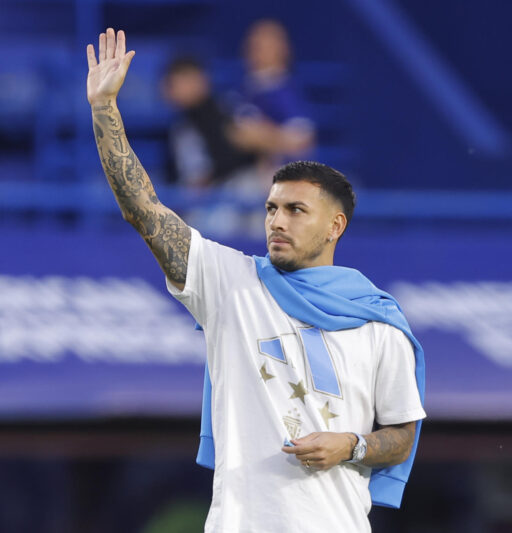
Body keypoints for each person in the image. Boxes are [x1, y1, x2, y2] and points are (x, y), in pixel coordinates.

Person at [86, 29, 425, 532]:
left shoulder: (379, 320)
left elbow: (401, 433)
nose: (277, 221)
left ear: (336, 225)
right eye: (270, 208)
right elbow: (145, 211)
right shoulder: (232, 284)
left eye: (295, 210)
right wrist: (104, 110)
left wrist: (352, 444)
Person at [229, 19, 315, 170]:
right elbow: (232, 133)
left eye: (262, 46)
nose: (254, 52)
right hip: (237, 174)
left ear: (282, 49)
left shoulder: (287, 92)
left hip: (277, 176)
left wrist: (261, 135)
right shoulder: (241, 90)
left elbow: (301, 142)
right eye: (252, 45)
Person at [161, 56, 257, 188]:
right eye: (173, 84)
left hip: (229, 192)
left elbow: (234, 160)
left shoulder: (223, 113)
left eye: (185, 80)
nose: (178, 89)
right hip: (191, 197)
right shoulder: (178, 124)